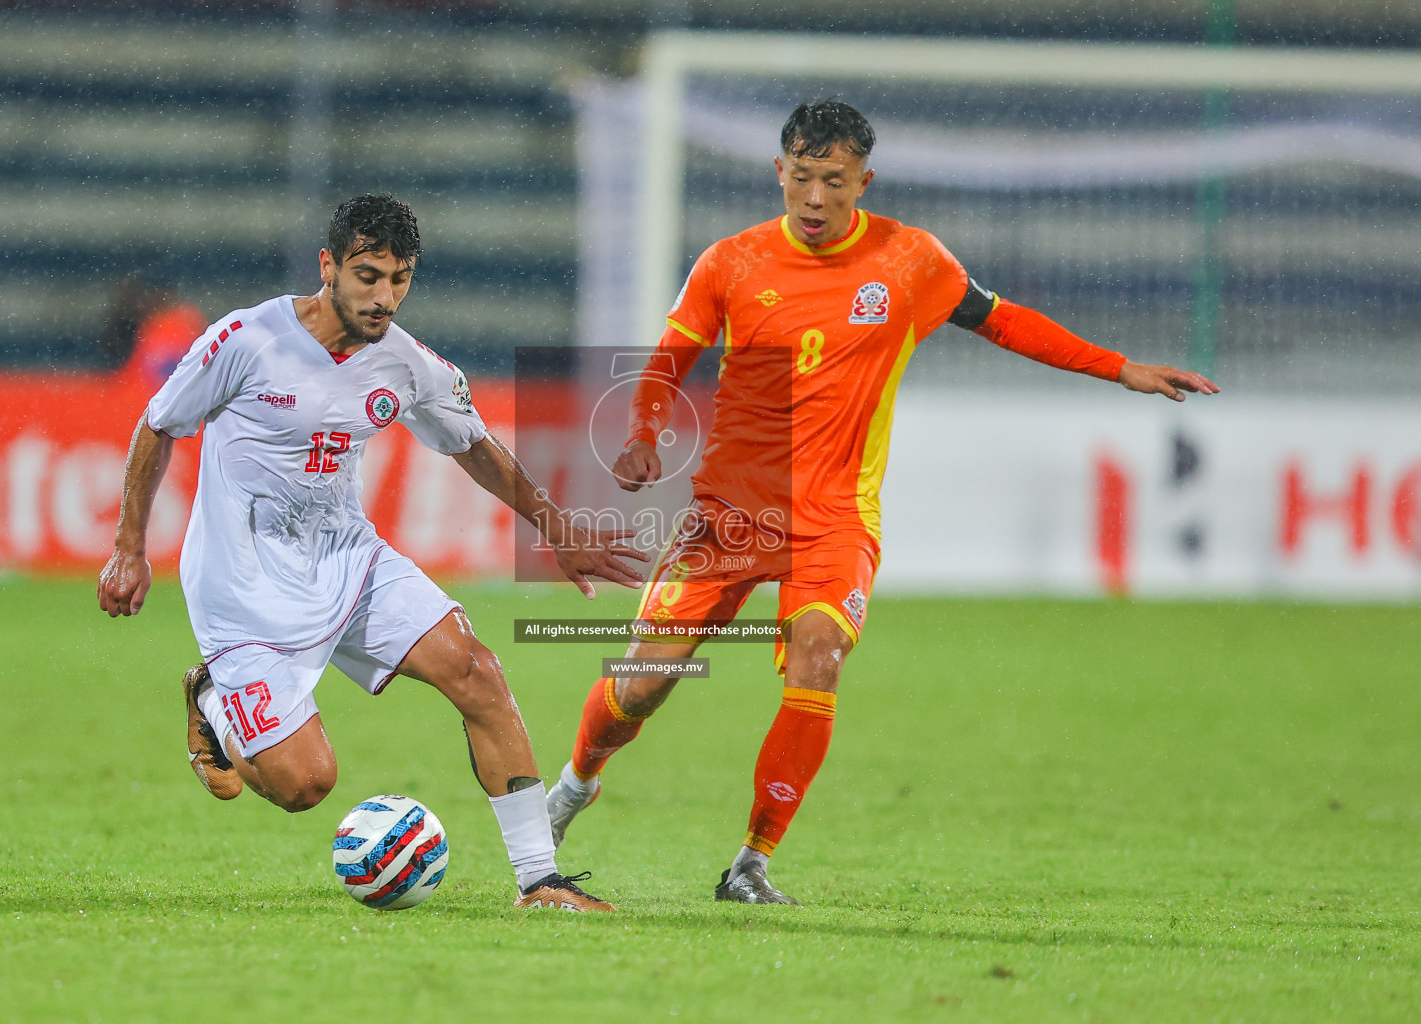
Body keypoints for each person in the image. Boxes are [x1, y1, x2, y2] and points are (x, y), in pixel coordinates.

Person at [544, 100, 1219, 904]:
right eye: (802, 178)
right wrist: (644, 434)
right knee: (642, 687)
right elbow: (665, 363)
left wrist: (1120, 368)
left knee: (817, 658)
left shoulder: (909, 260)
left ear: (864, 179)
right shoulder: (730, 263)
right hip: (731, 515)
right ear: (779, 173)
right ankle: (574, 786)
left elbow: (1002, 322)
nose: (817, 198)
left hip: (835, 518)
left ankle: (751, 863)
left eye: (835, 181)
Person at [97, 193, 645, 912]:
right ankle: (213, 700)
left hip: (348, 558)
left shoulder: (406, 363)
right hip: (245, 584)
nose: (383, 296)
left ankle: (539, 880)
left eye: (399, 278)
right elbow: (158, 423)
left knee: (476, 670)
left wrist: (555, 526)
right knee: (303, 785)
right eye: (367, 276)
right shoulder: (246, 339)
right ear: (328, 266)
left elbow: (473, 445)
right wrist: (128, 549)